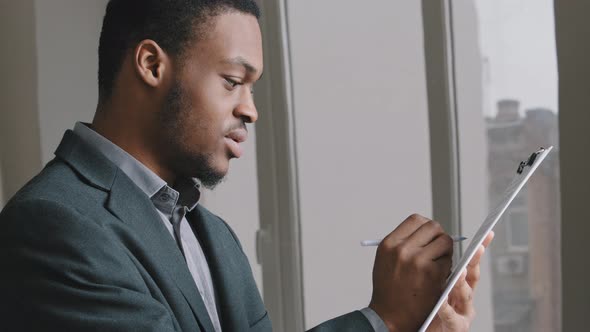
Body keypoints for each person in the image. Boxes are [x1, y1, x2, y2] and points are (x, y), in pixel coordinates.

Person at [0, 0, 493, 331]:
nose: (250, 109)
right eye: (233, 81)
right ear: (151, 65)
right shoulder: (51, 226)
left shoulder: (211, 233)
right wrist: (379, 320)